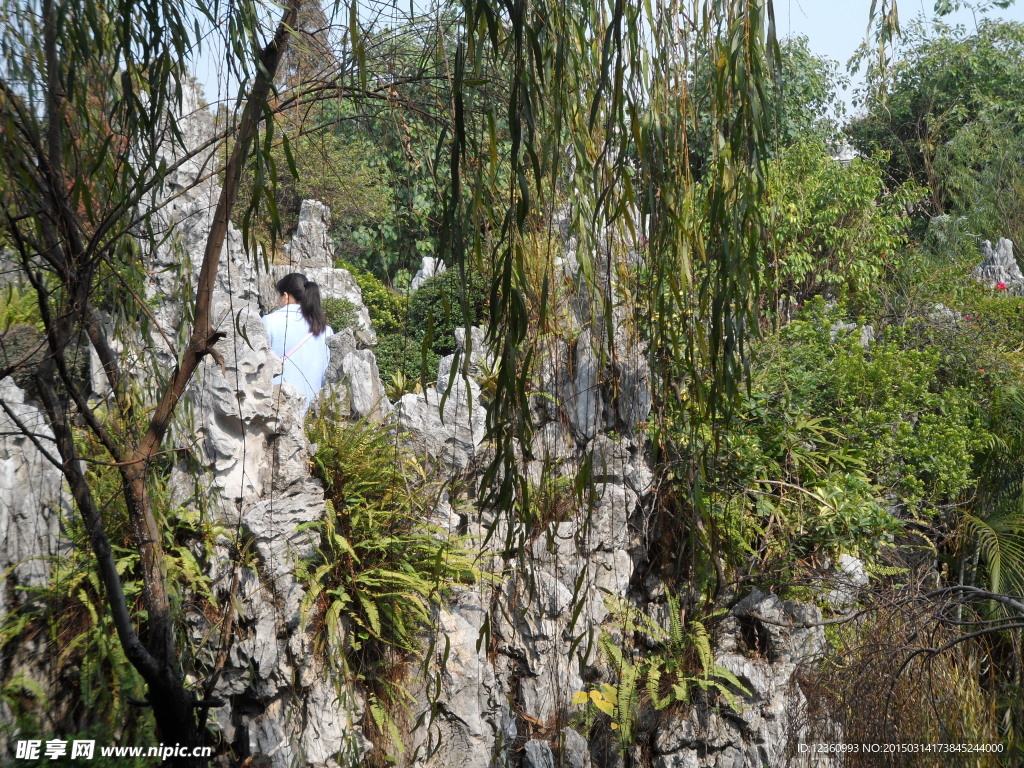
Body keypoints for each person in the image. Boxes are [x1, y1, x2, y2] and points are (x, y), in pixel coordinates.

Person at [263, 273, 333, 408]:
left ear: (286, 296)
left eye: (279, 296)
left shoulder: (269, 321)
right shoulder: (325, 329)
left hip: (279, 405)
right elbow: (326, 375)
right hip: (313, 409)